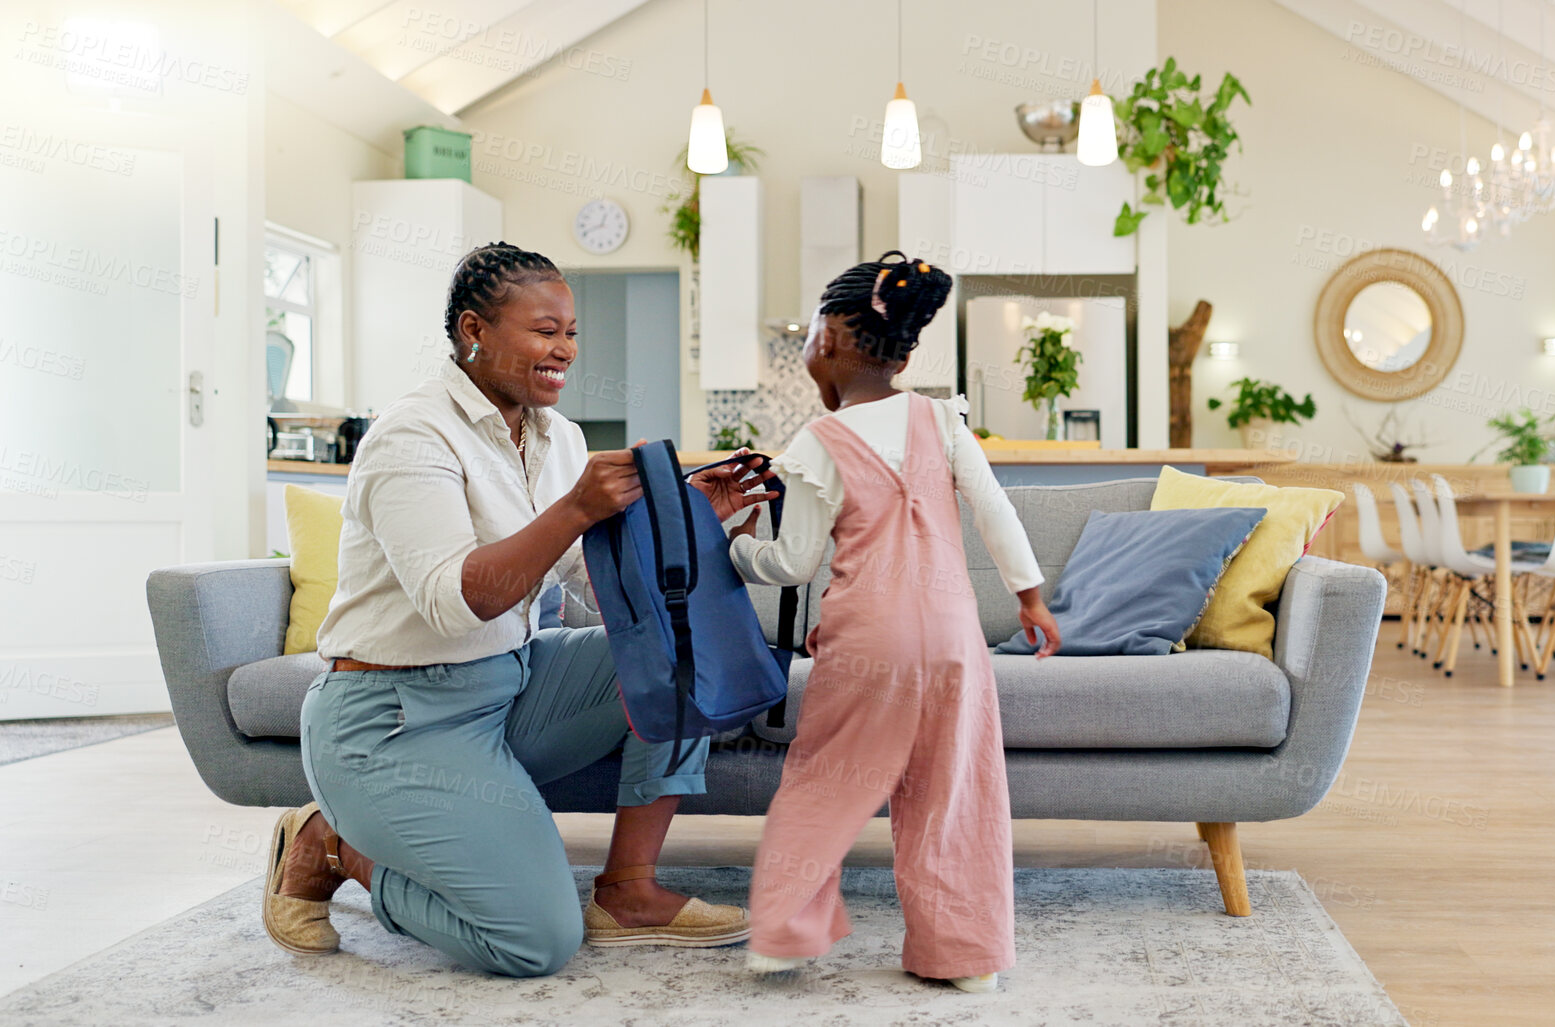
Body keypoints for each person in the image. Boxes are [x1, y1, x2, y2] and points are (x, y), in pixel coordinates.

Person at [262, 242, 775, 977]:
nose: (563, 348)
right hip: (394, 718)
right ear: (475, 329)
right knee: (534, 939)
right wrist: (573, 509)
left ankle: (627, 890)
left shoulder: (555, 436)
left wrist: (695, 524)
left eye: (570, 332)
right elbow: (454, 604)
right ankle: (332, 846)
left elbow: (601, 590)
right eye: (544, 330)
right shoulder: (412, 435)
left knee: (676, 654)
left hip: (510, 684)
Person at [727, 251, 1061, 993]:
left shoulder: (818, 442)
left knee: (825, 781)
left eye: (812, 330)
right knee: (954, 790)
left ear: (837, 340)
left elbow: (794, 561)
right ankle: (967, 956)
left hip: (866, 642)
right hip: (951, 640)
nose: (807, 343)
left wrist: (734, 547)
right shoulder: (940, 418)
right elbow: (995, 512)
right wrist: (1031, 598)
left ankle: (783, 935)